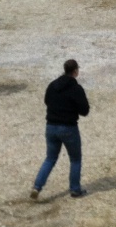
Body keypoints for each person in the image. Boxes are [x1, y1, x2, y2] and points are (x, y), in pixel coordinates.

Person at [29, 59, 89, 200]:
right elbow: (84, 111)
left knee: (50, 158)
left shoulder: (52, 85)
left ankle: (37, 187)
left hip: (50, 127)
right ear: (75, 71)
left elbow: (46, 101)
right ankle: (75, 189)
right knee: (75, 159)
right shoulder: (76, 89)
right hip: (68, 128)